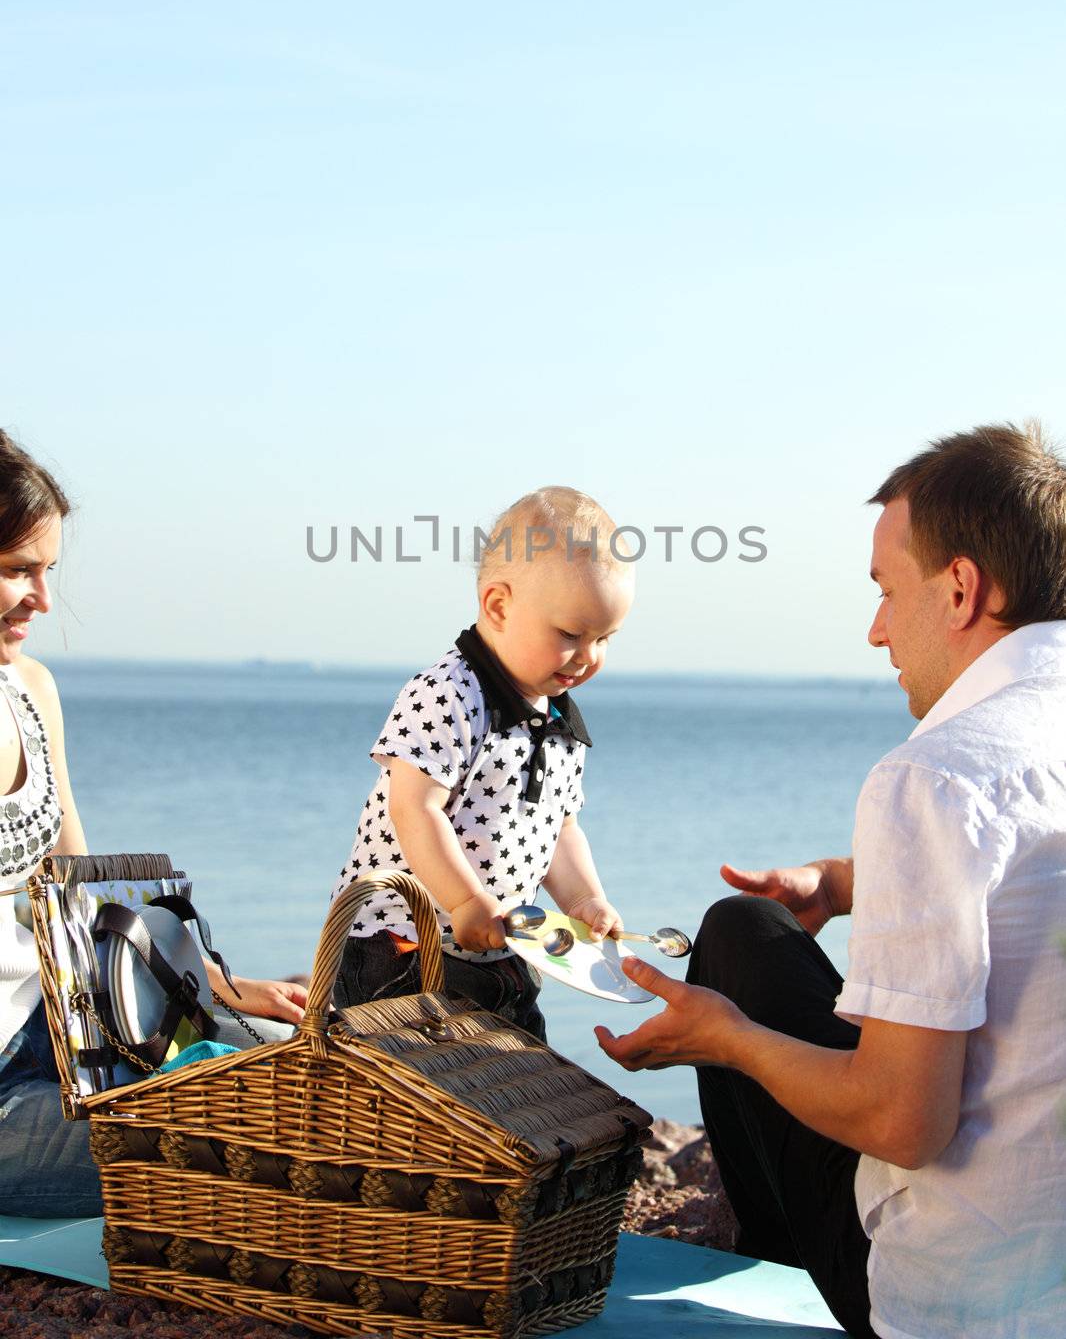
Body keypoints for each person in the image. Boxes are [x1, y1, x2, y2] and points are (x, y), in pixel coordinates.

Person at [595, 422, 1066, 1339]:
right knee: (746, 929)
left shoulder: (936, 776)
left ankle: (789, 1278)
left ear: (962, 588)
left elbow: (900, 1123)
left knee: (732, 956)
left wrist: (728, 1041)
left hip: (960, 1305)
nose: (876, 629)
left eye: (889, 592)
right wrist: (848, 884)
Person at [0, 429, 308, 1217]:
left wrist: (213, 987)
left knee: (297, 1080)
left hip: (68, 1030)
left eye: (48, 571)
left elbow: (75, 905)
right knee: (232, 1151)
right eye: (16, 572)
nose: (41, 597)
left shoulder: (31, 689)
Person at [331, 485, 634, 1040]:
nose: (589, 656)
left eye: (605, 638)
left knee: (519, 1076)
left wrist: (586, 899)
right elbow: (414, 808)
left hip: (501, 947)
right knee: (415, 1092)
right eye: (570, 634)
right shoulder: (447, 694)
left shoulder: (561, 723)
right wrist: (466, 901)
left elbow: (560, 828)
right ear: (498, 605)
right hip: (401, 946)